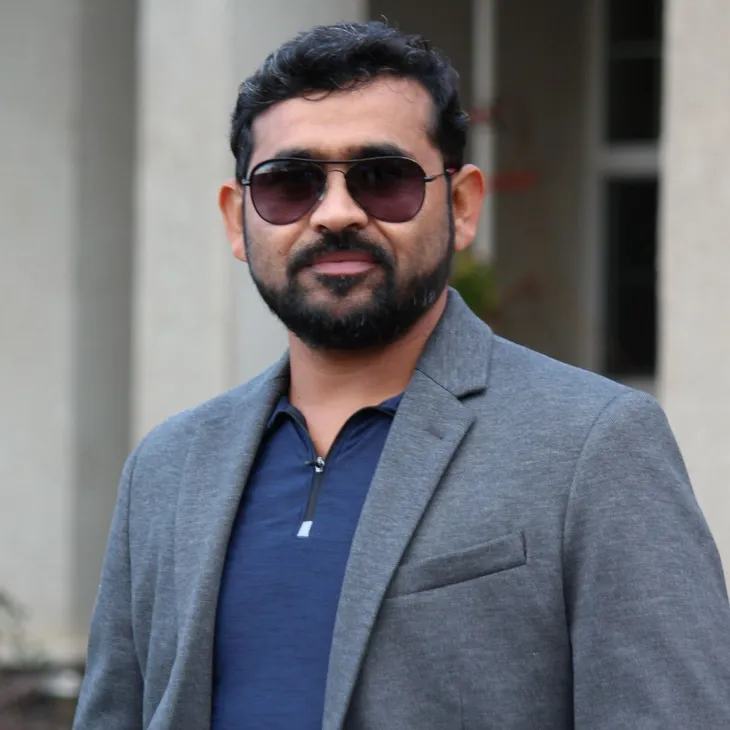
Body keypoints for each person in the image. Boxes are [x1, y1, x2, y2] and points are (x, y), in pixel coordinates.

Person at [72, 20, 730, 730]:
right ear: (238, 220)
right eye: (290, 184)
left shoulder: (593, 446)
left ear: (462, 205)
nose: (336, 214)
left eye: (382, 179)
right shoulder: (167, 469)